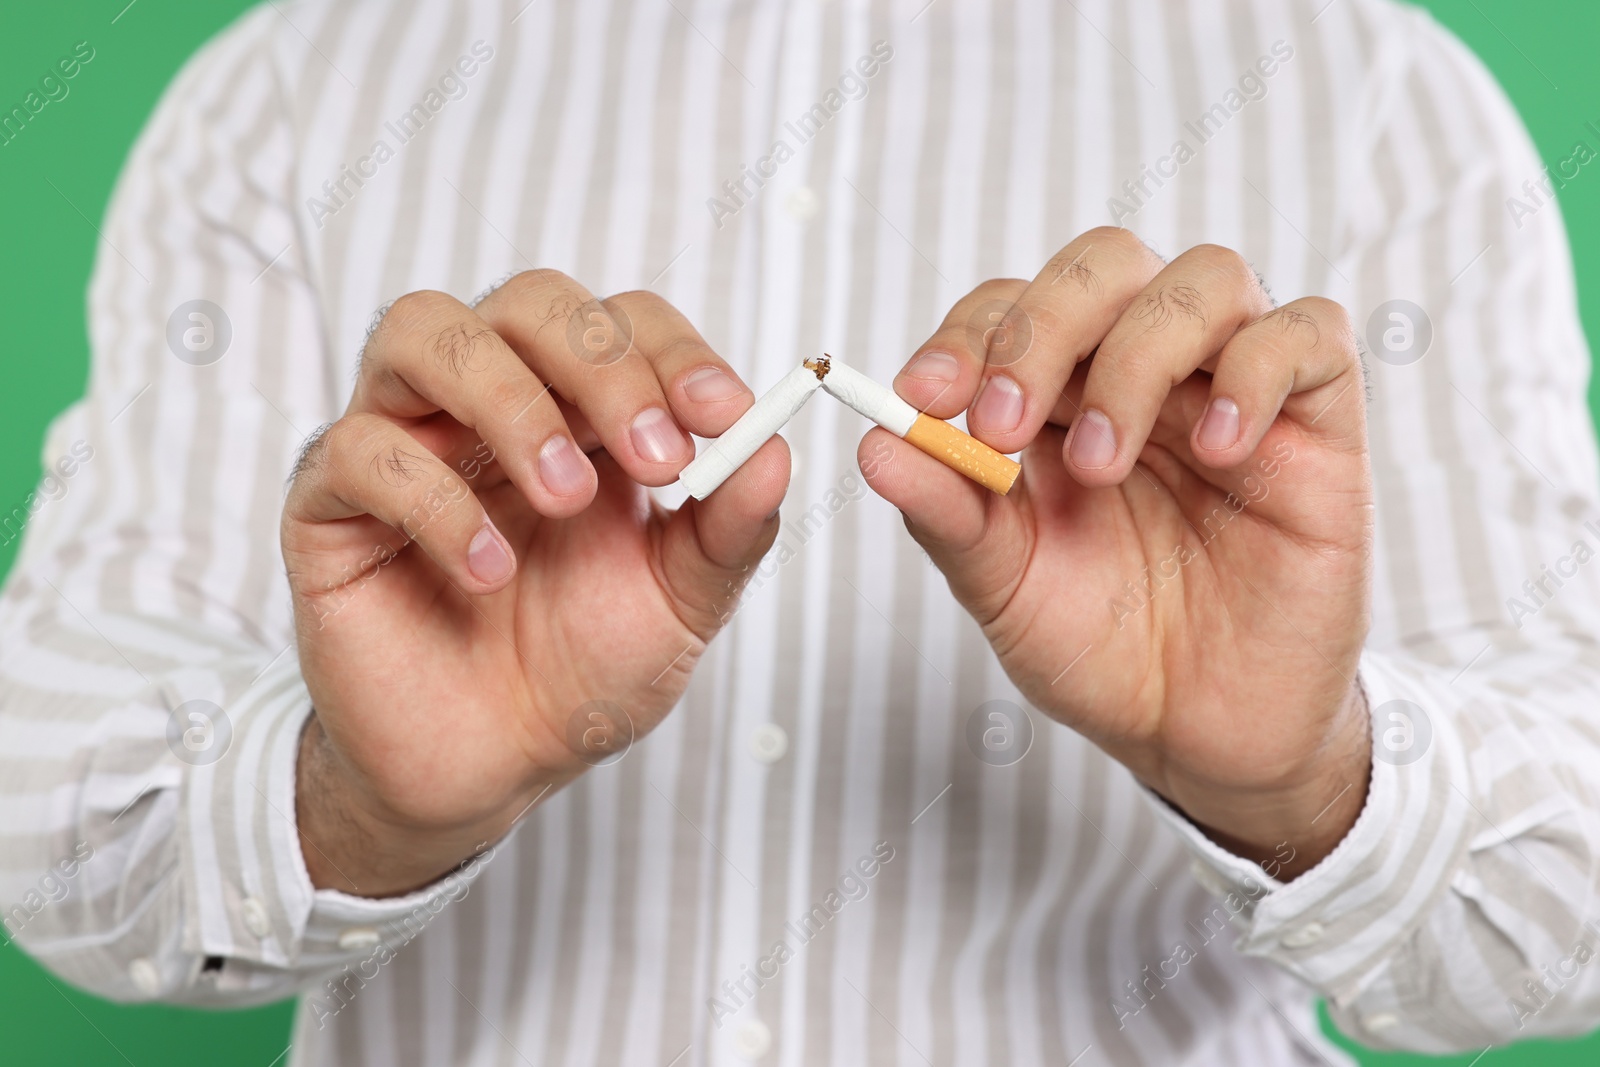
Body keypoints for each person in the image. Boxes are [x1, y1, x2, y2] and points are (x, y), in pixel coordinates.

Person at [3, 0, 1599, 1063]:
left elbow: (1568, 913)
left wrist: (1313, 783)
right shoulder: (298, 87)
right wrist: (347, 809)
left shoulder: (1372, 98)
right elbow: (49, 822)